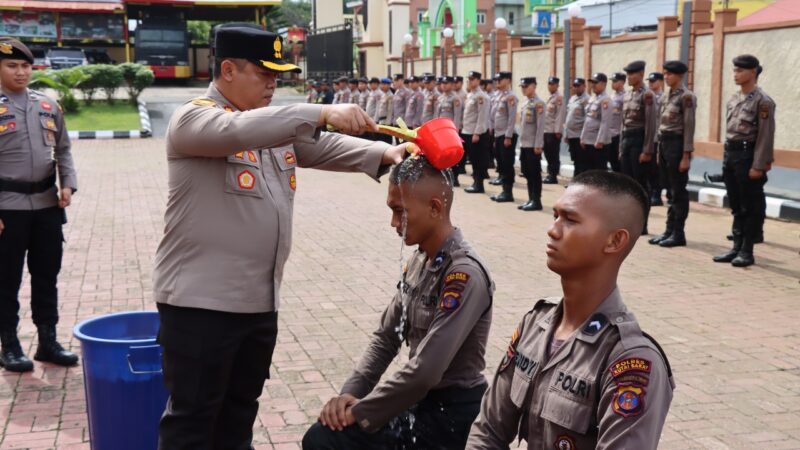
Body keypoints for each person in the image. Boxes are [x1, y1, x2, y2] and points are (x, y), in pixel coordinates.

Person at [152, 27, 407, 449]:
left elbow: (320, 148)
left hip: (257, 304)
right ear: (228, 70)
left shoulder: (269, 128)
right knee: (193, 422)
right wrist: (320, 111)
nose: (274, 83)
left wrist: (385, 153)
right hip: (201, 308)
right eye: (264, 72)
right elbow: (239, 132)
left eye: (279, 75)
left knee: (239, 415)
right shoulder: (194, 120)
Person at [467, 170, 675, 449]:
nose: (553, 230)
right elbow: (489, 431)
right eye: (555, 216)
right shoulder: (536, 324)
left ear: (615, 241)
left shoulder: (630, 361)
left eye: (570, 220)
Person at [303, 156, 494, 450]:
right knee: (324, 436)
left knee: (327, 441)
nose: (393, 223)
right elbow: (386, 339)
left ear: (435, 208)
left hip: (453, 414)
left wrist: (361, 413)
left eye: (400, 212)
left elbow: (426, 371)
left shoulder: (463, 275)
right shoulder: (420, 260)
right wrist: (347, 397)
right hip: (419, 403)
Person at [0, 37, 79, 372]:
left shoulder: (47, 105)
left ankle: (48, 340)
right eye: (12, 65)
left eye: (26, 66)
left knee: (47, 275)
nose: (21, 72)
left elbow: (63, 150)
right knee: (7, 279)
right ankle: (10, 345)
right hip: (8, 208)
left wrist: (68, 185)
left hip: (47, 206)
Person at [713, 54, 775, 268]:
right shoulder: (734, 99)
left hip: (749, 156)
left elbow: (765, 136)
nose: (735, 74)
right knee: (736, 204)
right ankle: (736, 247)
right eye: (735, 70)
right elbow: (730, 134)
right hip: (732, 155)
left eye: (740, 70)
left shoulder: (762, 101)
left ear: (753, 72)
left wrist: (758, 165)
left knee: (749, 205)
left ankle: (747, 251)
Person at [649, 61, 696, 248]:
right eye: (665, 73)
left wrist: (686, 155)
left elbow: (689, 127)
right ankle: (668, 230)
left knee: (678, 191)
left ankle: (678, 232)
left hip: (677, 145)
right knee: (669, 190)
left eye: (669, 74)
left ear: (680, 75)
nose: (666, 77)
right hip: (664, 144)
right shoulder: (665, 96)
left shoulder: (686, 97)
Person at [620, 60, 658, 235]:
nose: (629, 77)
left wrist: (647, 150)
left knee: (640, 185)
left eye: (632, 74)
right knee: (627, 185)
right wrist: (621, 147)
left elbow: (651, 124)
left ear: (641, 74)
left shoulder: (647, 95)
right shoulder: (627, 95)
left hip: (639, 141)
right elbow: (623, 124)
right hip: (627, 140)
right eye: (627, 74)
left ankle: (642, 223)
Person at [517, 77, 546, 212]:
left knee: (534, 173)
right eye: (522, 87)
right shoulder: (525, 103)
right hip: (524, 144)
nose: (523, 89)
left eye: (526, 86)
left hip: (533, 145)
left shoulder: (539, 104)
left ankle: (536, 200)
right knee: (527, 173)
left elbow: (540, 127)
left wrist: (538, 144)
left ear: (533, 86)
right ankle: (530, 199)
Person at [463, 71, 491, 194]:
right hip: (468, 131)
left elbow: (482, 116)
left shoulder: (481, 97)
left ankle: (479, 184)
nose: (469, 81)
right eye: (468, 79)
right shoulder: (470, 95)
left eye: (472, 79)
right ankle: (475, 183)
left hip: (476, 134)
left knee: (478, 160)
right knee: (473, 160)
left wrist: (477, 133)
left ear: (478, 81)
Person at [491, 71, 518, 203]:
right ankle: (504, 190)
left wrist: (508, 136)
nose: (497, 82)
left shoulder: (511, 97)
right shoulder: (498, 95)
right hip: (499, 134)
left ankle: (508, 192)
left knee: (507, 164)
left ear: (508, 80)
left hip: (507, 136)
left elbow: (512, 118)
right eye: (496, 80)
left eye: (500, 80)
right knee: (501, 163)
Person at [579, 73, 612, 175]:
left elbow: (605, 122)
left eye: (595, 83)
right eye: (592, 83)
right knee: (590, 170)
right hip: (589, 141)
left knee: (599, 171)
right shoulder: (593, 98)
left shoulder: (605, 100)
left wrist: (600, 140)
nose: (593, 85)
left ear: (603, 84)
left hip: (598, 143)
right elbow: (587, 120)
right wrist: (582, 137)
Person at [564, 78, 589, 178]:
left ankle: (579, 181)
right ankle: (576, 181)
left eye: (578, 85)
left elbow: (588, 120)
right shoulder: (572, 98)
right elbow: (568, 117)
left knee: (581, 161)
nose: (576, 88)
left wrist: (584, 137)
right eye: (574, 85)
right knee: (575, 160)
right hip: (571, 135)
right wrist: (566, 134)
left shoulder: (586, 99)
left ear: (584, 86)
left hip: (580, 135)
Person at [647, 72, 666, 206]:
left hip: (659, 137)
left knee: (657, 168)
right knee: (649, 166)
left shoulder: (664, 98)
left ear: (660, 82)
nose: (651, 84)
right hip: (649, 136)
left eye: (653, 81)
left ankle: (656, 194)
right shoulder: (648, 97)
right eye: (649, 81)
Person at [542, 76, 565, 184]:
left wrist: (558, 131)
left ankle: (553, 175)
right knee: (547, 153)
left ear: (557, 85)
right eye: (549, 84)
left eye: (553, 84)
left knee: (553, 154)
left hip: (553, 131)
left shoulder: (559, 98)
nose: (550, 86)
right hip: (546, 130)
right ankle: (550, 174)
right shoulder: (548, 97)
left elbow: (559, 115)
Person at [608, 72, 626, 172]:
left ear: (622, 82)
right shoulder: (611, 96)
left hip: (618, 134)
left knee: (620, 163)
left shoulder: (624, 97)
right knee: (612, 162)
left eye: (615, 81)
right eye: (612, 81)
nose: (613, 83)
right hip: (610, 134)